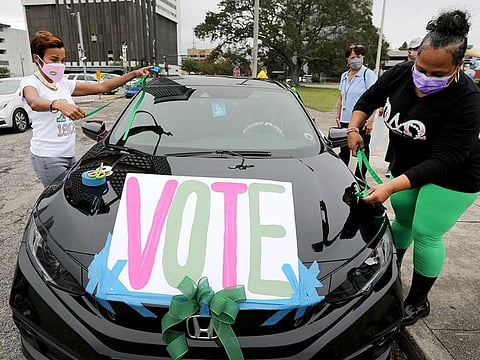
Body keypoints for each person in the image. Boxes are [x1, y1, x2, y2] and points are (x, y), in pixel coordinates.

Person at [346, 10, 480, 326]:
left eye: (437, 73)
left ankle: (418, 301)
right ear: (415, 58)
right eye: (422, 68)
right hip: (410, 164)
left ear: (457, 67)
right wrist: (354, 129)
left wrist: (391, 185)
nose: (425, 79)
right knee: (403, 214)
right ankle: (391, 272)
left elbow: (445, 160)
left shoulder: (469, 99)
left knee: (426, 230)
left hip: (455, 173)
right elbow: (369, 97)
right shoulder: (403, 72)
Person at [21, 31, 151, 187]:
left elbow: (101, 86)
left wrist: (133, 74)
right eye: (54, 60)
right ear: (37, 58)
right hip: (48, 157)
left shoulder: (63, 83)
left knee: (72, 193)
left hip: (68, 154)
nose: (59, 65)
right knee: (62, 197)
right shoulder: (30, 82)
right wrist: (58, 104)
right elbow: (34, 101)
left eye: (62, 60)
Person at [336, 43, 377, 178]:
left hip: (361, 121)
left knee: (362, 150)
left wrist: (370, 120)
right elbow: (342, 97)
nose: (355, 60)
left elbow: (375, 98)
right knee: (344, 150)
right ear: (347, 59)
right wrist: (338, 115)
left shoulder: (368, 74)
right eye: (352, 57)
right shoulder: (344, 76)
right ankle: (342, 175)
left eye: (358, 56)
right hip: (345, 119)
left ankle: (360, 178)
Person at [384, 36, 424, 177]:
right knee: (395, 140)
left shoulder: (427, 71)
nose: (413, 52)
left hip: (416, 116)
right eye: (411, 49)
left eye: (416, 49)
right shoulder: (400, 70)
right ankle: (392, 165)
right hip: (399, 113)